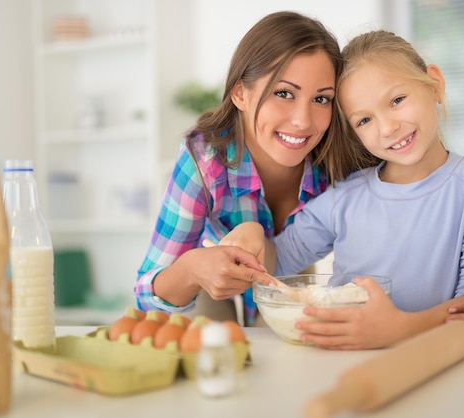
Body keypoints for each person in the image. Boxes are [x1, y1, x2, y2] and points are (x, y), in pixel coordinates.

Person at [220, 29, 464, 348]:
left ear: (434, 84)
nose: (388, 127)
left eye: (397, 100)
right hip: (344, 357)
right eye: (364, 121)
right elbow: (280, 260)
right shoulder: (344, 196)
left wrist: (402, 328)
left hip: (439, 358)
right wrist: (253, 233)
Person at [134, 11, 372, 326]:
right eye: (284, 93)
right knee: (212, 339)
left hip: (288, 271)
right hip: (211, 267)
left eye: (321, 99)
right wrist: (193, 268)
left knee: (284, 350)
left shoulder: (340, 161)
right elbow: (147, 295)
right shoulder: (204, 159)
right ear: (239, 93)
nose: (303, 121)